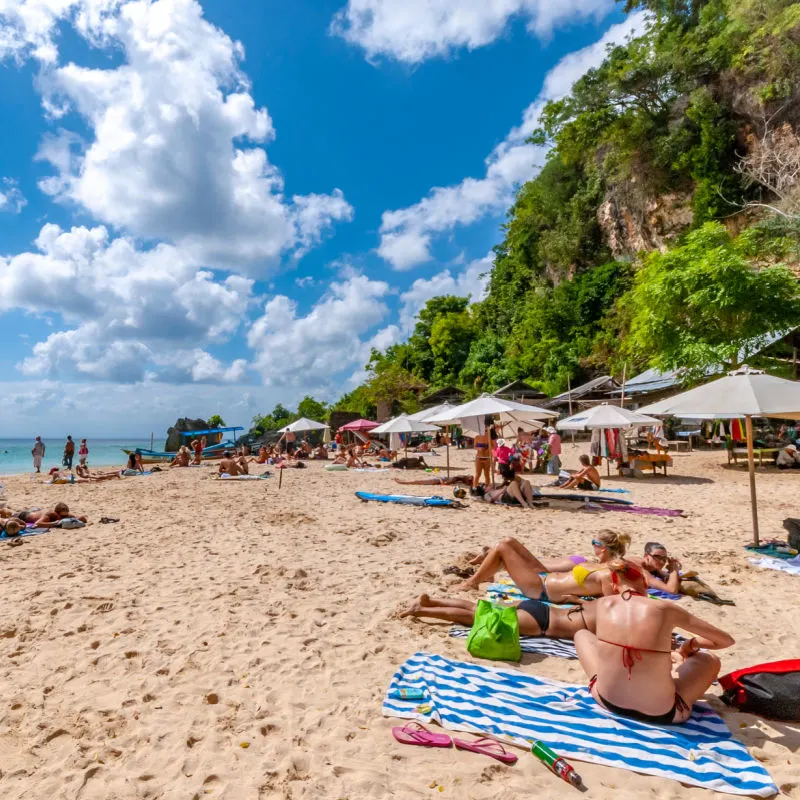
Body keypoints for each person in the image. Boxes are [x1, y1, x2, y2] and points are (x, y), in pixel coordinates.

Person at [574, 562, 734, 725]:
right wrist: (690, 645)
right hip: (662, 713)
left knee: (581, 635)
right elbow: (725, 641)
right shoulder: (665, 608)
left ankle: (602, 680)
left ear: (614, 585)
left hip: (606, 700)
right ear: (645, 583)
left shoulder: (602, 604)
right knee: (710, 660)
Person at [454, 530, 631, 602]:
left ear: (603, 548)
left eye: (594, 542)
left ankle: (472, 582)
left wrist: (575, 600)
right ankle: (485, 572)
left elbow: (609, 603)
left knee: (502, 548)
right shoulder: (597, 565)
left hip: (541, 590)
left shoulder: (608, 573)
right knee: (508, 541)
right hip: (545, 578)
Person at [400, 593, 598, 640]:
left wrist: (574, 599)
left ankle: (433, 601)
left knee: (478, 608)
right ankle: (420, 610)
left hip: (541, 608)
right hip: (543, 623)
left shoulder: (603, 605)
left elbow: (583, 602)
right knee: (476, 618)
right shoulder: (606, 624)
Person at [474, 462, 539, 509]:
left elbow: (506, 481)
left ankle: (530, 503)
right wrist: (502, 491)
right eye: (485, 485)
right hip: (505, 497)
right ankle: (524, 504)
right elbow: (490, 500)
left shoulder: (496, 488)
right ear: (485, 490)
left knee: (526, 482)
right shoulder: (487, 494)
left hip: (511, 494)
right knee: (513, 483)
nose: (487, 484)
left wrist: (501, 487)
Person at [15, 502, 87, 527]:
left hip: (35, 512)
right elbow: (38, 523)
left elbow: (81, 517)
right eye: (62, 516)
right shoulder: (49, 515)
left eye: (65, 516)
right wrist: (53, 523)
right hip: (24, 516)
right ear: (56, 513)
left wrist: (80, 518)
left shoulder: (65, 514)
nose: (64, 518)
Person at [473, 416, 494, 489]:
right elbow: (474, 446)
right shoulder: (477, 437)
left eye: (486, 429)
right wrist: (479, 448)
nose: (485, 430)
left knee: (487, 474)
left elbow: (493, 446)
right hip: (479, 457)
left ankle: (487, 488)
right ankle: (474, 488)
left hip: (487, 457)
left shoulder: (489, 436)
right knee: (478, 474)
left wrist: (489, 447)